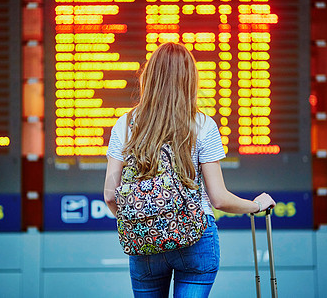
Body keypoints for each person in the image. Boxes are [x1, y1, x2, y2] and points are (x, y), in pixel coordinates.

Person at [103, 42, 276, 298]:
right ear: (190, 80)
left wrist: (142, 222)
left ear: (149, 77)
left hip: (144, 243)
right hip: (195, 237)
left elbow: (109, 195)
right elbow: (218, 198)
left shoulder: (125, 124)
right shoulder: (203, 125)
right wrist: (256, 205)